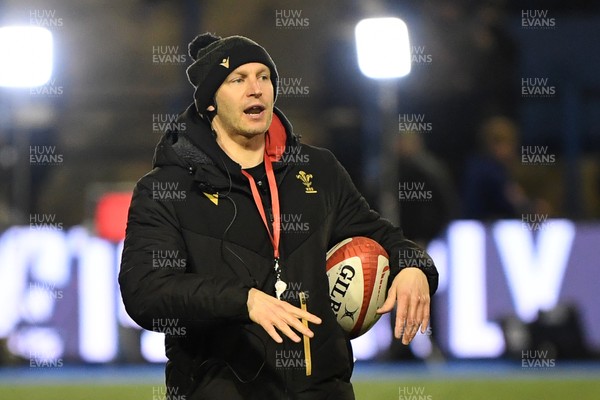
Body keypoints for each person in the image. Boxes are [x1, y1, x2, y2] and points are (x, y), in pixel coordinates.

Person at [119, 33, 438, 400]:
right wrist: (245, 301)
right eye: (237, 80)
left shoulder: (318, 171)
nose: (255, 89)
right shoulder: (167, 189)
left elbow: (386, 238)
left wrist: (413, 267)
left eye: (263, 77)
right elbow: (145, 291)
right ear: (210, 103)